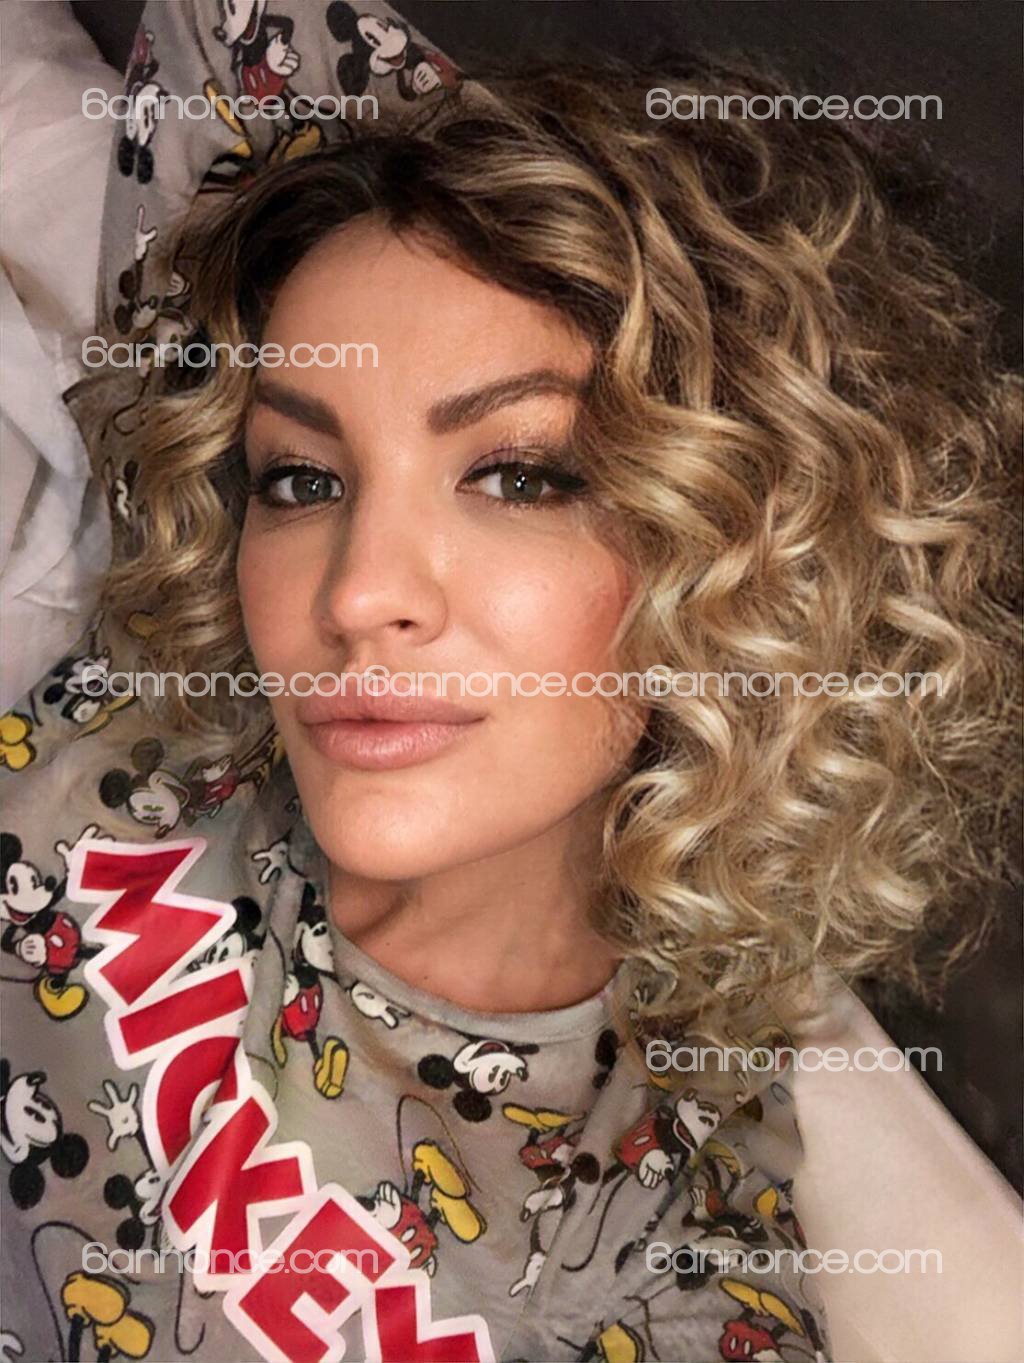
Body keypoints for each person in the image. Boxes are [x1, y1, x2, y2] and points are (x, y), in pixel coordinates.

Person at [1, 52, 1017, 1363]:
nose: (357, 594)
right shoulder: (168, 698)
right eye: (301, 480)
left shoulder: (639, 1261)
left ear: (746, 554)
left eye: (522, 476)